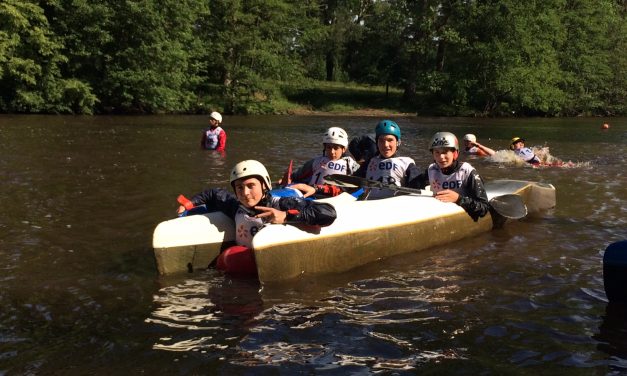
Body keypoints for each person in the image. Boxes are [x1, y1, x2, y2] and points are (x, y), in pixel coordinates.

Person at [178, 160, 337, 249]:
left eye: (250, 186)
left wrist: (286, 216)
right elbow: (212, 194)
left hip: (274, 254)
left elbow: (328, 213)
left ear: (264, 185)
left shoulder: (283, 204)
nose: (245, 193)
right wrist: (188, 204)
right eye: (239, 187)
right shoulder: (235, 205)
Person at [412, 132, 490, 221]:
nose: (441, 157)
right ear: (433, 154)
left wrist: (458, 199)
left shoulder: (467, 171)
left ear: (455, 153)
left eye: (445, 152)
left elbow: (484, 208)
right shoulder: (431, 170)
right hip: (438, 216)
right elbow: (413, 186)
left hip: (460, 216)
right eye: (437, 152)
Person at [353, 120, 422, 199]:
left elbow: (418, 185)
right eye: (381, 141)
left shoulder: (406, 163)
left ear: (398, 142)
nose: (385, 145)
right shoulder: (369, 162)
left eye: (390, 140)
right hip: (370, 204)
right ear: (377, 143)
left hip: (395, 204)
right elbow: (355, 183)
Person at [287, 127, 361, 197]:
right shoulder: (316, 161)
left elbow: (361, 181)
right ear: (324, 147)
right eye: (329, 147)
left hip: (335, 198)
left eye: (336, 148)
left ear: (344, 149)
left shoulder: (350, 164)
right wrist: (288, 179)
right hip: (311, 195)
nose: (332, 152)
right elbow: (296, 176)